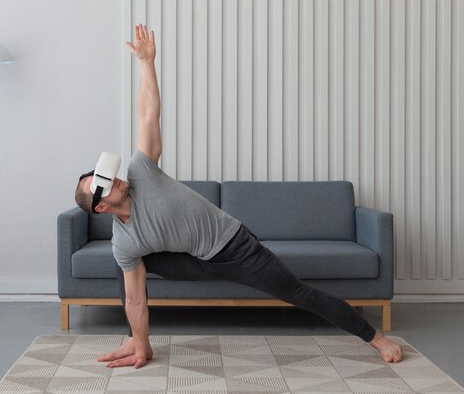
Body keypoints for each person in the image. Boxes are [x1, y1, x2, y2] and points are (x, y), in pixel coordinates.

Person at [75, 24, 403, 369]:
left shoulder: (143, 171)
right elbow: (135, 299)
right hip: (195, 259)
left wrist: (146, 64)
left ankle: (376, 338)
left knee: (297, 293)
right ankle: (138, 344)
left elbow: (148, 115)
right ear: (101, 206)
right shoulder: (125, 240)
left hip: (235, 247)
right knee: (125, 262)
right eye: (105, 182)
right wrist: (141, 341)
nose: (114, 177)